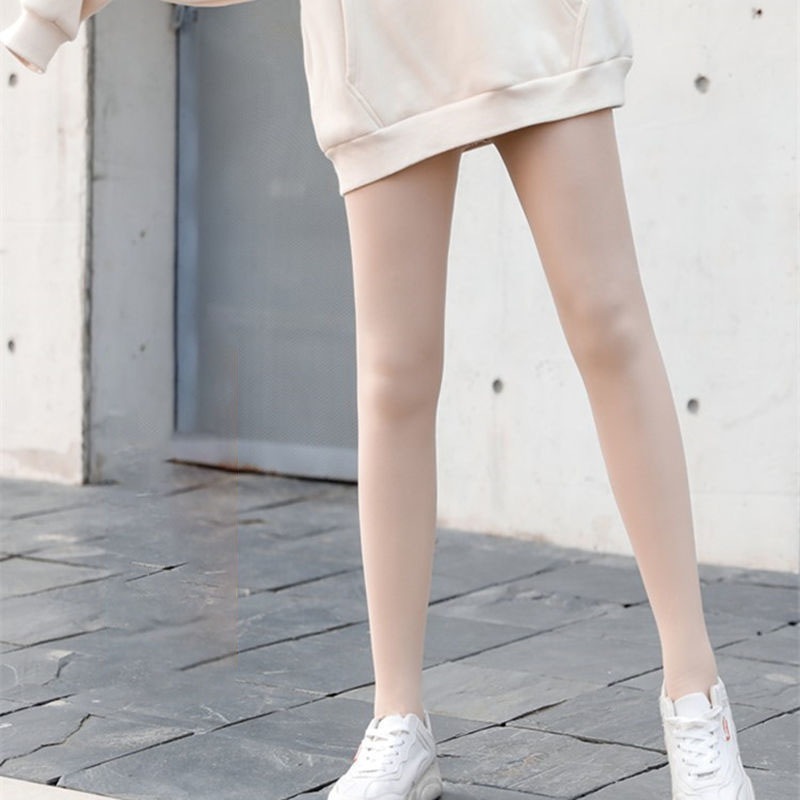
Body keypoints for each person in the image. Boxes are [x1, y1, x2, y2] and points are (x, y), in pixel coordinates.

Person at [1, 2, 757, 798]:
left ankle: (696, 696)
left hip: (528, 21)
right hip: (379, 49)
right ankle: (398, 721)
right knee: (394, 375)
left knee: (608, 326)